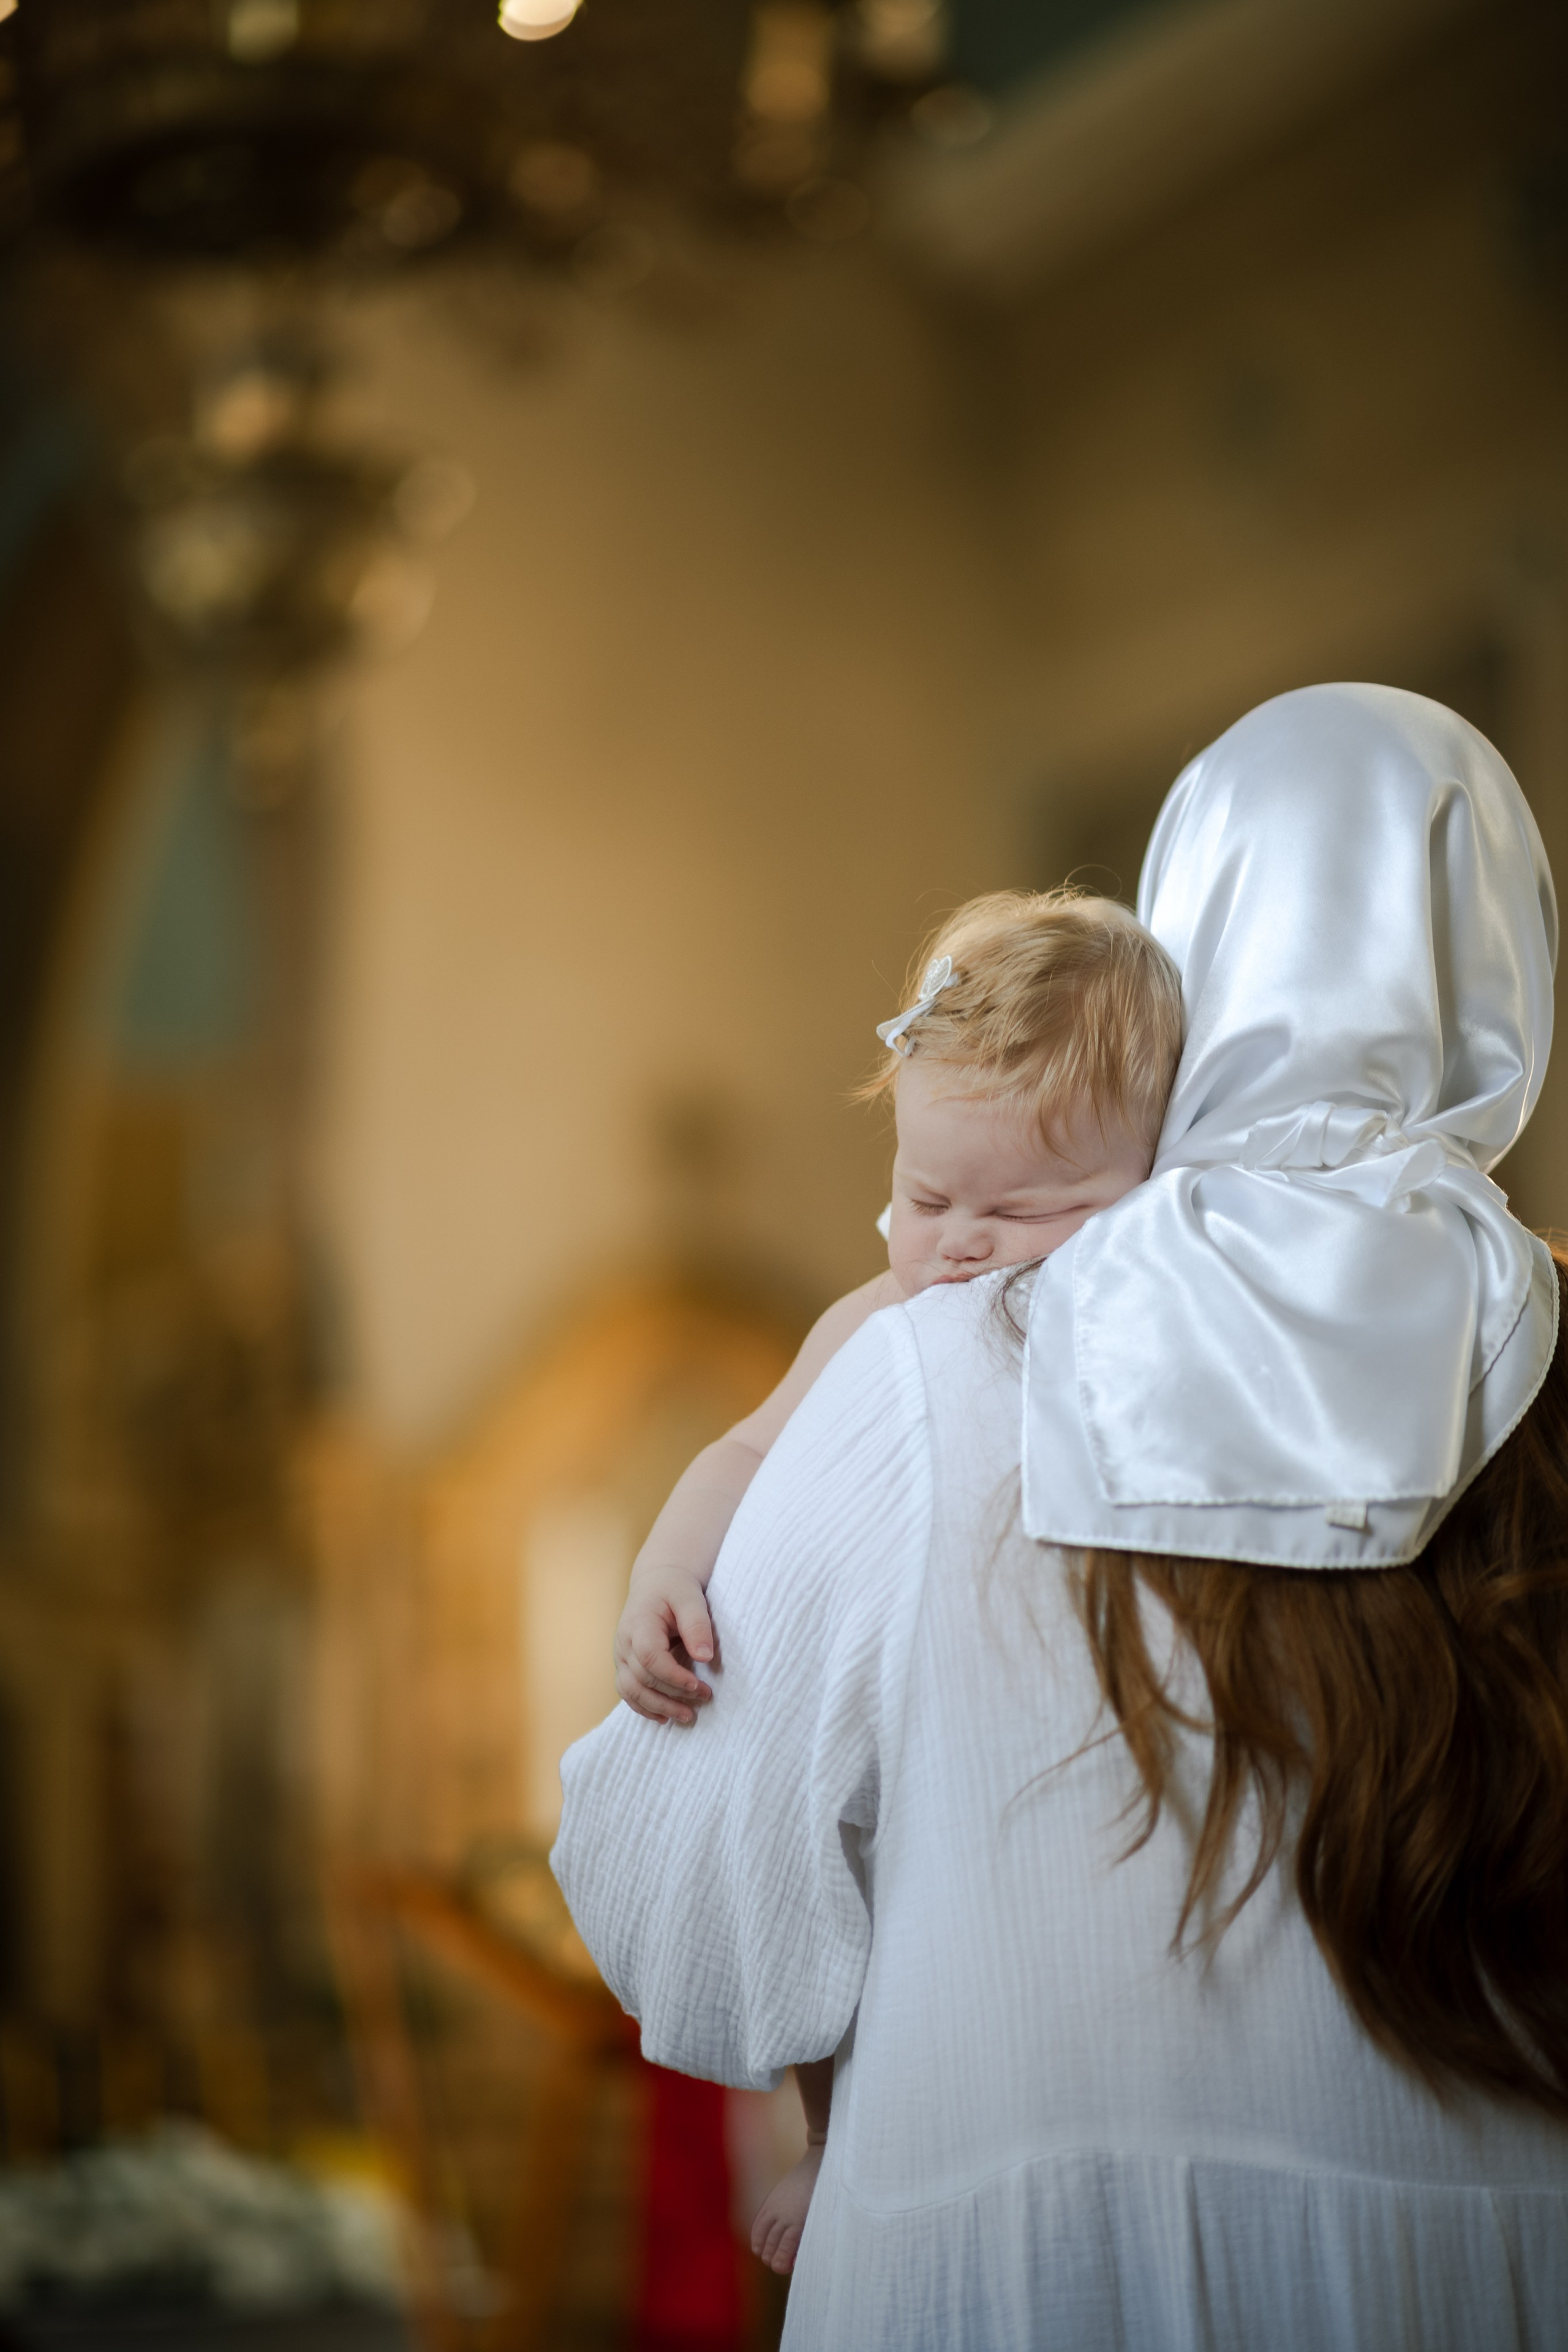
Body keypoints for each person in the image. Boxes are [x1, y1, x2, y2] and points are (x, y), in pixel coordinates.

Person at [555, 684, 1568, 2349]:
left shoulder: (943, 1365)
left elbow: (691, 1886)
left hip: (1026, 2280)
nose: (964, 1237)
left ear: (1202, 942)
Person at [612, 888, 1184, 2271]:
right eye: (926, 1199)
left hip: (1065, 1713)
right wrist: (664, 1571)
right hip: (907, 1715)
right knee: (836, 1861)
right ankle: (828, 2141)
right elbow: (742, 1449)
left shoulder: (1159, 1311)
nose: (963, 1245)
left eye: (1029, 1210)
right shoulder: (876, 1323)